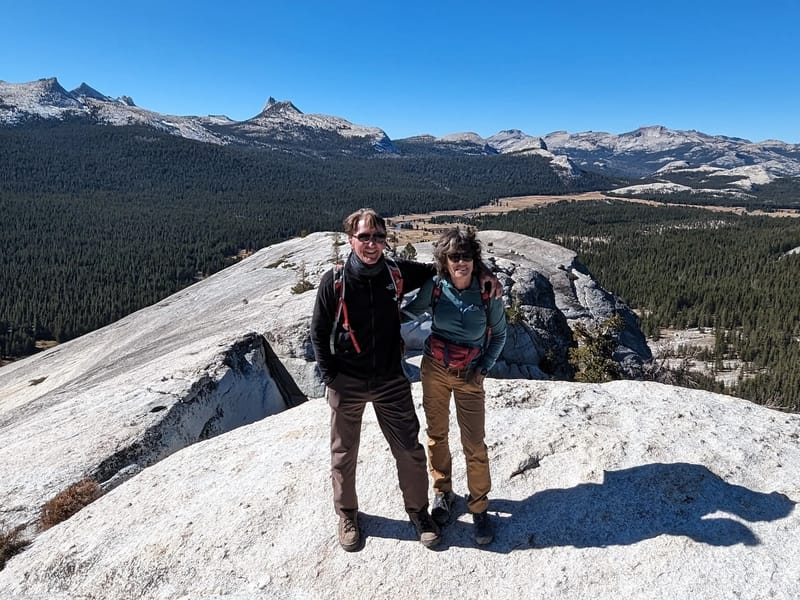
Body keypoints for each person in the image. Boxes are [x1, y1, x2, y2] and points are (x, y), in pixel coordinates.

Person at [311, 209, 498, 552]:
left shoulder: (395, 272)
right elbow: (319, 332)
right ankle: (347, 514)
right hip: (347, 381)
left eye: (378, 237)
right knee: (343, 454)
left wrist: (482, 269)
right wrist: (331, 377)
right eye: (364, 237)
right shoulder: (334, 281)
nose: (371, 244)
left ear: (385, 240)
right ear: (351, 239)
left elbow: (444, 268)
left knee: (410, 452)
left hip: (389, 381)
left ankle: (418, 513)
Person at [403, 226, 507, 545]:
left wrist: (483, 370)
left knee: (474, 444)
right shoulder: (436, 286)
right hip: (434, 369)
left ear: (474, 259)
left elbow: (500, 335)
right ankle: (443, 493)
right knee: (437, 435)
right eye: (453, 257)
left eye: (465, 256)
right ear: (444, 261)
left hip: (469, 375)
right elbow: (410, 312)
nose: (460, 262)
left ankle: (479, 507)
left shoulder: (487, 292)